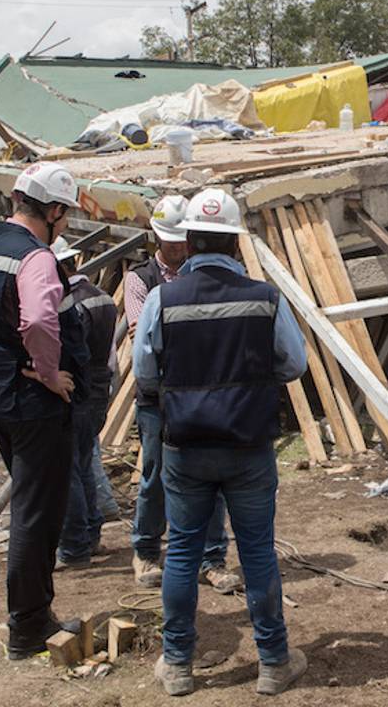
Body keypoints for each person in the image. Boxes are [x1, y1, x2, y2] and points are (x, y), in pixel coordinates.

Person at [133, 188, 308, 697]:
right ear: (236, 244)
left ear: (187, 241)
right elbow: (293, 364)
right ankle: (274, 662)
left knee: (183, 552)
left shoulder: (162, 299)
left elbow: (145, 372)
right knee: (256, 551)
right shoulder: (265, 297)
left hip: (185, 447)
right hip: (249, 446)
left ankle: (177, 665)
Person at [0, 161, 89, 660]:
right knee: (36, 512)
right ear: (51, 210)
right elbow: (38, 321)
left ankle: (35, 616)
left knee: (32, 504)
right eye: (65, 215)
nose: (65, 224)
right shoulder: (36, 259)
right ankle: (27, 627)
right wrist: (49, 374)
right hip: (33, 404)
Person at [125, 195, 238, 593]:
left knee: (210, 475)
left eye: (181, 241)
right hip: (158, 400)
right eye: (169, 241)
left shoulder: (202, 280)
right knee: (155, 475)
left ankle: (212, 559)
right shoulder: (141, 280)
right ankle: (146, 551)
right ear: (157, 237)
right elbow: (144, 338)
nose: (176, 248)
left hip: (199, 396)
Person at [52, 238, 118, 568]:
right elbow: (111, 357)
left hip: (76, 391)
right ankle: (91, 535)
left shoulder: (70, 304)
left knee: (69, 470)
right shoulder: (103, 297)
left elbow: (69, 353)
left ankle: (76, 545)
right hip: (99, 390)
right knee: (84, 462)